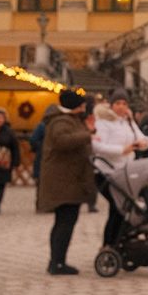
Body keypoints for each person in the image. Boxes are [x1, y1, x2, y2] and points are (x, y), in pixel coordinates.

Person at [36, 90, 97, 274]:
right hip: (63, 181)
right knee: (64, 222)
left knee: (66, 221)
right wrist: (88, 135)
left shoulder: (71, 120)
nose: (84, 107)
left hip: (71, 180)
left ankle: (58, 260)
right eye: (81, 104)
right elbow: (62, 141)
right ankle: (57, 262)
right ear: (74, 106)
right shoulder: (60, 121)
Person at [92, 88, 148, 246]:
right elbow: (97, 146)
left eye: (124, 103)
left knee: (123, 209)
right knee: (117, 208)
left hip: (125, 172)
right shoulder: (103, 122)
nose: (121, 107)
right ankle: (108, 244)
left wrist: (143, 143)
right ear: (111, 105)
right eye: (117, 103)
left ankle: (118, 242)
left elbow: (142, 138)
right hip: (107, 172)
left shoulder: (128, 122)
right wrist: (121, 150)